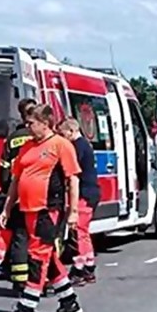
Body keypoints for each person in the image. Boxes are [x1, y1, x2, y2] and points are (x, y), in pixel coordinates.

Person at [0, 104, 83, 312]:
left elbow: (73, 179)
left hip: (48, 208)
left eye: (32, 123)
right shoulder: (27, 147)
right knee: (47, 255)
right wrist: (7, 209)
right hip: (27, 208)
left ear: (45, 123)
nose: (28, 127)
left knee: (37, 256)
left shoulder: (60, 145)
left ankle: (27, 309)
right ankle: (69, 301)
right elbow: (16, 181)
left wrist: (73, 211)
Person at [0, 98, 36, 288]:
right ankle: (41, 278)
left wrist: (6, 189)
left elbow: (5, 168)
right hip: (38, 194)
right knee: (40, 239)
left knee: (19, 237)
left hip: (16, 193)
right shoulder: (42, 138)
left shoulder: (13, 138)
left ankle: (19, 279)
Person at [58, 118, 101, 285]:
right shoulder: (85, 145)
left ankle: (79, 268)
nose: (62, 137)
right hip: (91, 192)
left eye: (63, 134)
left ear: (71, 131)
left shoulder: (78, 147)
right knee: (84, 232)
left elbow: (71, 169)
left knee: (78, 232)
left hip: (84, 192)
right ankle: (89, 267)